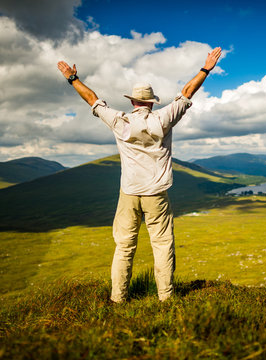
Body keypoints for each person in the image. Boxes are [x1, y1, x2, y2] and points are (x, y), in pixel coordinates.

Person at [57, 47, 222, 302]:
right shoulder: (164, 118)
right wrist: (206, 68)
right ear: (151, 102)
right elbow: (187, 93)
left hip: (129, 193)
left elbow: (92, 99)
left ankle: (118, 298)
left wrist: (72, 78)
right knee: (163, 246)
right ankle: (166, 298)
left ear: (133, 101)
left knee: (124, 247)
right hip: (157, 194)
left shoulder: (119, 121)